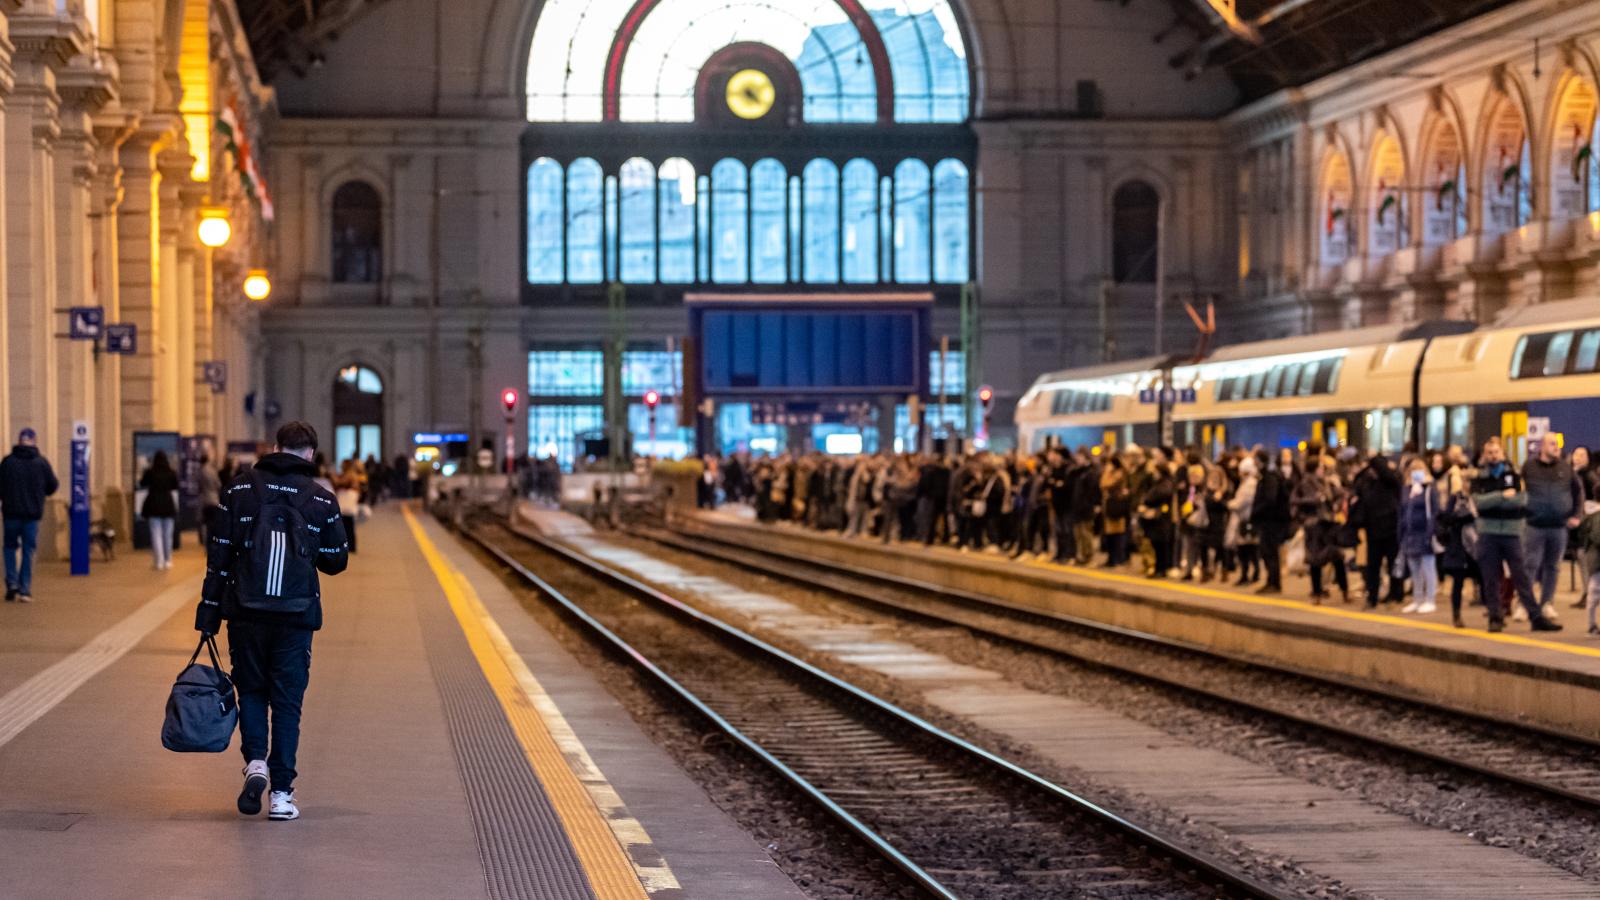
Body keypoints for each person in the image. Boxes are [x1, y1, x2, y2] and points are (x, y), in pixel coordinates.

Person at [195, 421, 349, 822]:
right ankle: (281, 794)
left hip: (245, 612)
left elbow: (220, 557)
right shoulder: (320, 498)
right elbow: (336, 561)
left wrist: (208, 614)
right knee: (286, 703)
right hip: (295, 617)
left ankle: (255, 763)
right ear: (311, 454)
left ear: (275, 447)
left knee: (250, 689)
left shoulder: (240, 489)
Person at [1471, 438, 1559, 632]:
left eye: (1496, 451)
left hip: (1512, 532)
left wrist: (1495, 500)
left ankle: (1535, 617)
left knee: (1522, 577)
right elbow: (1478, 502)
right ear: (1485, 455)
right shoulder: (1479, 477)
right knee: (1490, 577)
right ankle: (1495, 617)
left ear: (1503, 453)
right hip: (1488, 532)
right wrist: (1502, 496)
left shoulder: (1514, 474)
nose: (1493, 455)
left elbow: (1520, 500)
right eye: (1489, 452)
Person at [1522, 434, 1583, 620]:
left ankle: (1546, 603)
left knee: (1553, 566)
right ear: (1542, 446)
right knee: (1530, 565)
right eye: (1551, 444)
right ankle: (1525, 604)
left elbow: (1578, 491)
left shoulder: (1565, 468)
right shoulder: (1529, 467)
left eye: (1557, 444)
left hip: (1558, 526)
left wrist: (1576, 515)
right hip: (1534, 525)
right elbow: (1518, 489)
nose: (1556, 447)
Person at [1, 429, 58, 603]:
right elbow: (52, 486)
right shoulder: (41, 463)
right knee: (28, 550)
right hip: (32, 515)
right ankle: (24, 589)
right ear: (34, 441)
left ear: (19, 441)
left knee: (9, 547)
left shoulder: (8, 462)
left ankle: (11, 583)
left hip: (11, 514)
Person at [1397, 459, 1440, 614]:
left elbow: (1434, 511)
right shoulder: (1406, 489)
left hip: (1424, 532)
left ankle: (1430, 599)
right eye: (1413, 470)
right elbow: (1402, 511)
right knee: (1414, 568)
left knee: (1428, 567)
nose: (1416, 473)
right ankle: (1417, 599)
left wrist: (1431, 532)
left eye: (1419, 469)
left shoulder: (1429, 488)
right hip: (1410, 534)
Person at [1251, 449, 1292, 594]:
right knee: (1269, 551)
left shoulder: (1269, 477)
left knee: (1269, 551)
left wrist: (1257, 511)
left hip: (1271, 521)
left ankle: (1273, 582)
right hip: (1272, 520)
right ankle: (1272, 582)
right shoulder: (1269, 475)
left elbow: (1270, 500)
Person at [140, 452, 181, 570]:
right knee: (168, 535)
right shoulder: (171, 472)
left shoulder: (150, 472)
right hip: (168, 505)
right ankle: (168, 560)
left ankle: (159, 560)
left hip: (153, 505)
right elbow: (175, 486)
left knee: (156, 534)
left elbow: (142, 483)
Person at [198, 454, 222, 547]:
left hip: (205, 501)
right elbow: (219, 484)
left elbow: (199, 487)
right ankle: (214, 544)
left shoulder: (200, 472)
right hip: (214, 500)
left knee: (206, 525)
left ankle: (207, 545)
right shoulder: (212, 470)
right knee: (214, 524)